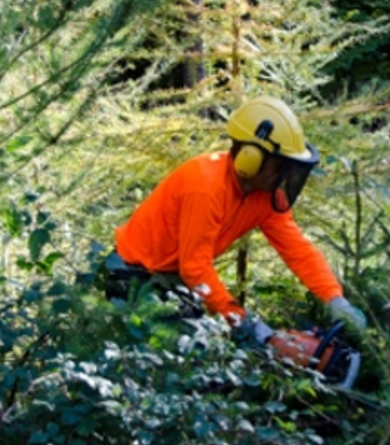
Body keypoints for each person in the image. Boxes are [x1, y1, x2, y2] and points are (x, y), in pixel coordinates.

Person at [110, 96, 366, 343]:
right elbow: (195, 268)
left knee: (209, 342)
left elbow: (298, 250)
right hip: (134, 274)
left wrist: (335, 298)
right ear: (250, 159)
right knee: (185, 352)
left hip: (174, 277)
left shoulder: (264, 198)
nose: (284, 176)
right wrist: (241, 321)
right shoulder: (206, 186)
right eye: (279, 166)